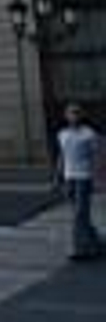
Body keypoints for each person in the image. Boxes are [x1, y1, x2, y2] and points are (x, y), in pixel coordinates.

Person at [57, 104, 101, 262]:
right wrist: (58, 177)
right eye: (70, 113)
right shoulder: (62, 134)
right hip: (70, 178)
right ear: (66, 116)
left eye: (76, 113)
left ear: (81, 115)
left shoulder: (89, 134)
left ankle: (77, 249)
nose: (73, 116)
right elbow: (62, 157)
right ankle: (96, 243)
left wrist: (97, 179)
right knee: (80, 215)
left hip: (84, 177)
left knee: (79, 214)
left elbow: (96, 157)